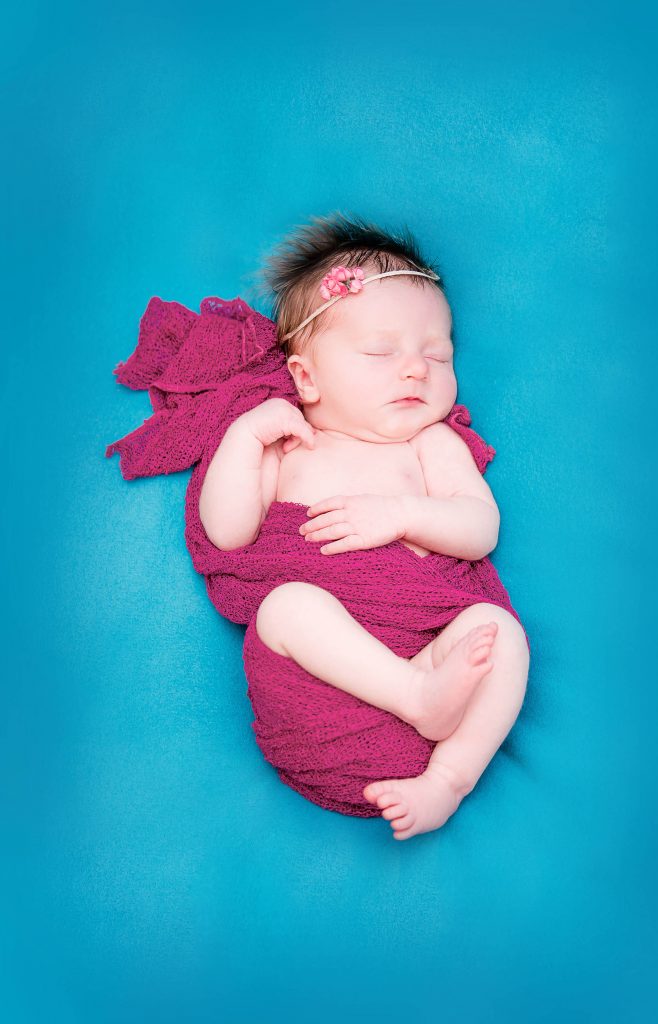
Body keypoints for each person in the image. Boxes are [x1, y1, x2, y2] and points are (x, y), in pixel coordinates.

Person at [198, 212, 530, 840]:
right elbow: (228, 534)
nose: (416, 369)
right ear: (305, 377)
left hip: (425, 651)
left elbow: (479, 528)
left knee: (500, 630)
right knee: (285, 606)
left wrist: (402, 514)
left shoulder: (431, 443)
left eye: (437, 354)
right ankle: (414, 695)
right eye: (382, 352)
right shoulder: (286, 445)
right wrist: (244, 438)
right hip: (318, 687)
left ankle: (448, 780)